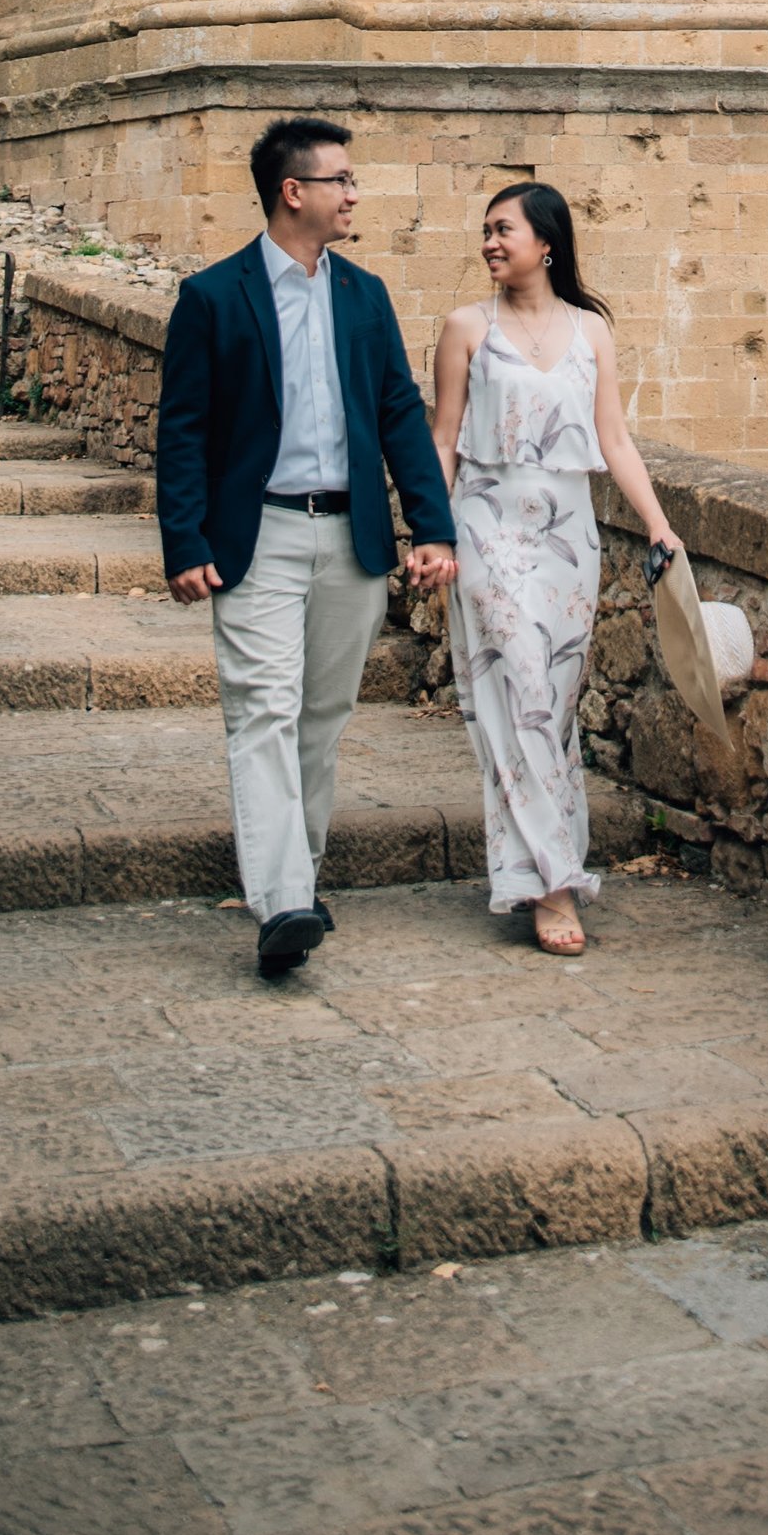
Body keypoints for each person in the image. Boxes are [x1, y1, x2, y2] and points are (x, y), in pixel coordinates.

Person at [156, 118, 458, 981]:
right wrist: (185, 538)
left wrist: (430, 525)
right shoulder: (213, 296)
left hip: (351, 536)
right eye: (343, 180)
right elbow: (183, 431)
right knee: (263, 708)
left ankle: (301, 879)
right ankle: (283, 899)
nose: (354, 194)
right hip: (260, 534)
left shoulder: (364, 295)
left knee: (321, 720)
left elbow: (400, 412)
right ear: (296, 191)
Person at [431, 181, 679, 956]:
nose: (489, 243)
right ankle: (553, 882)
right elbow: (443, 437)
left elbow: (616, 440)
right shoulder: (465, 327)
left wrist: (658, 522)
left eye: (503, 229)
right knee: (524, 693)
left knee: (554, 709)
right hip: (488, 523)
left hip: (569, 536)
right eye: (485, 231)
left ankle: (537, 861)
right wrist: (429, 534)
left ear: (547, 241)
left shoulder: (592, 331)